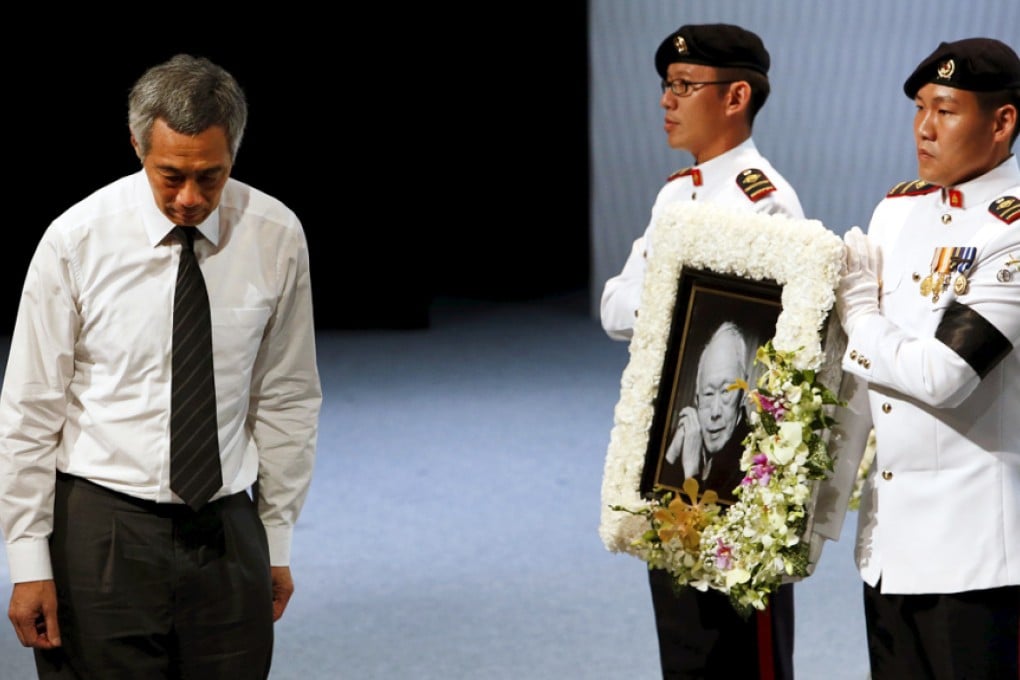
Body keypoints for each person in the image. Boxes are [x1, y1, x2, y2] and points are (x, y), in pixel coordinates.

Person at [0, 54, 322, 678]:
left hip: (227, 530)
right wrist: (28, 561)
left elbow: (287, 396)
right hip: (102, 530)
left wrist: (276, 540)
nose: (190, 198)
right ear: (136, 145)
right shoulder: (76, 240)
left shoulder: (276, 235)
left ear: (235, 153)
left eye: (211, 176)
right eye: (170, 175)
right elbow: (30, 408)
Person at [600, 23, 803, 680]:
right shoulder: (676, 194)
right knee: (686, 652)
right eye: (667, 85)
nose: (667, 99)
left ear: (736, 96)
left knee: (742, 656)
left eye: (685, 86)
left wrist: (662, 302)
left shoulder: (763, 205)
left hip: (737, 478)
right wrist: (675, 304)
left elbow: (764, 346)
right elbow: (612, 306)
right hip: (674, 458)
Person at [832, 36, 1020, 679]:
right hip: (889, 545)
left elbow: (945, 375)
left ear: (1002, 122)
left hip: (975, 557)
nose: (924, 128)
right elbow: (865, 377)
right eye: (919, 108)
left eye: (945, 110)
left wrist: (860, 313)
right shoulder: (897, 211)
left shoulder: (1011, 229)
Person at [661, 321, 750, 503]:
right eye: (708, 394)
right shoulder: (684, 436)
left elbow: (713, 518)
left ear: (743, 394)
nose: (715, 412)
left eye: (726, 391)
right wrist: (672, 453)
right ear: (697, 399)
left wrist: (691, 474)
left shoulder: (753, 459)